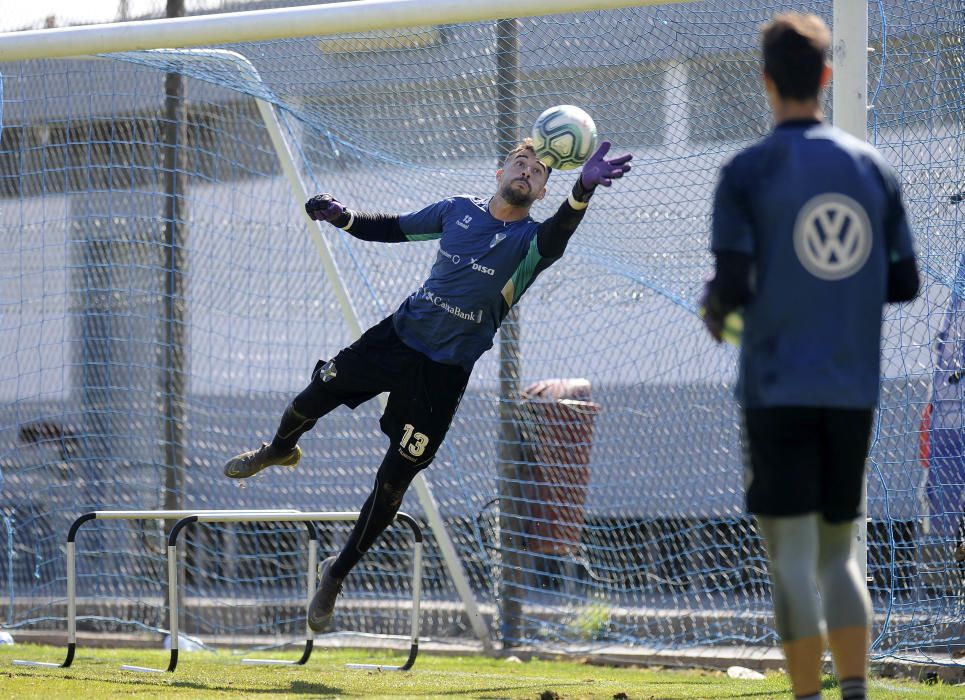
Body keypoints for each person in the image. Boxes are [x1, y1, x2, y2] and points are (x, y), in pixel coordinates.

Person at [223, 137, 632, 633]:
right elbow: (392, 228)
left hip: (444, 373)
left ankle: (337, 572)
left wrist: (582, 191)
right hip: (397, 337)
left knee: (395, 480)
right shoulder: (457, 211)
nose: (527, 172)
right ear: (500, 171)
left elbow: (561, 235)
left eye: (540, 172)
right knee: (311, 399)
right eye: (520, 163)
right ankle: (279, 449)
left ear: (545, 191)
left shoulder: (532, 243)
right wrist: (341, 216)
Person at [700, 13, 919, 700]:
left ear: (765, 82)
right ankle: (854, 690)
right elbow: (904, 282)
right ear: (826, 76)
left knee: (790, 558)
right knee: (837, 554)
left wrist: (715, 310)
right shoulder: (871, 168)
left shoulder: (745, 171)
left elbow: (732, 287)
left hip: (772, 385)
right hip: (850, 389)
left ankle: (806, 698)